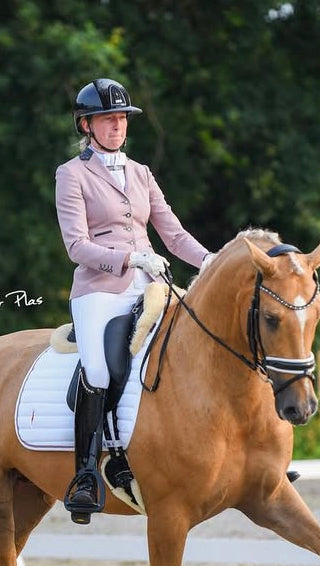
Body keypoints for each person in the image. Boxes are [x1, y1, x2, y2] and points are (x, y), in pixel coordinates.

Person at [55, 77, 212, 522]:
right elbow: (76, 246)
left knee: (201, 345)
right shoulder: (71, 174)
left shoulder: (142, 173)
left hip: (151, 286)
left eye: (122, 118)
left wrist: (212, 261)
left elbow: (174, 235)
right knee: (98, 369)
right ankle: (86, 474)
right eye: (107, 119)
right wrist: (129, 258)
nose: (117, 126)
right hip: (99, 292)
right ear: (86, 125)